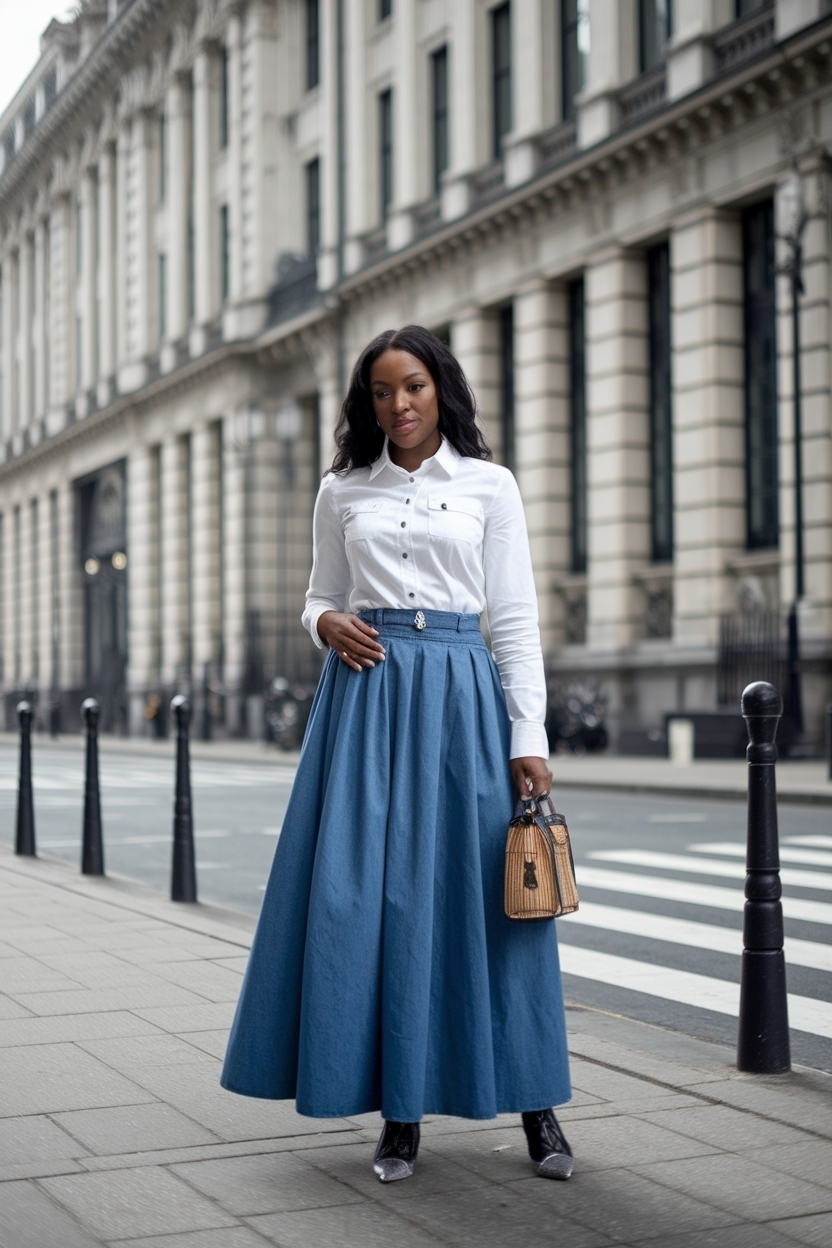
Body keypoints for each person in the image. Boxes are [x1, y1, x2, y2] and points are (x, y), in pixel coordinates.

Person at [221, 325, 573, 1183]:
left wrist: (528, 735)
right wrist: (323, 623)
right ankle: (398, 1115)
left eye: (412, 386)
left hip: (461, 699)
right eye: (382, 392)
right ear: (366, 403)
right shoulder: (342, 488)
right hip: (368, 699)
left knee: (488, 900)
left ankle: (538, 1108)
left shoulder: (489, 484)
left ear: (439, 388)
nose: (399, 405)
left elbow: (513, 618)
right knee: (368, 902)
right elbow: (320, 594)